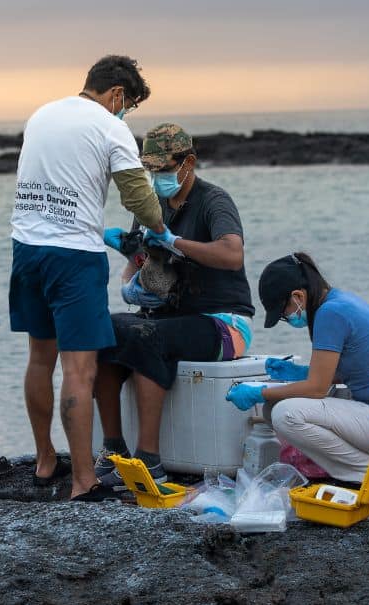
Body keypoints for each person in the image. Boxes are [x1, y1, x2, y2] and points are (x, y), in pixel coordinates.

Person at [9, 55, 176, 502]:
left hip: (26, 248)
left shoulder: (42, 114)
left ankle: (45, 461)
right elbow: (138, 195)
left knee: (39, 358)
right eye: (129, 105)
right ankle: (83, 480)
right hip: (73, 258)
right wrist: (161, 229)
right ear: (118, 95)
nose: (126, 114)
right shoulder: (110, 126)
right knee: (79, 370)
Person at [94, 123, 255, 488]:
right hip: (166, 318)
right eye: (151, 169)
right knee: (99, 330)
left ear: (189, 163)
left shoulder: (214, 201)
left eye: (164, 168)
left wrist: (175, 240)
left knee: (147, 335)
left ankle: (149, 461)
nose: (157, 177)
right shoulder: (151, 208)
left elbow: (232, 254)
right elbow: (135, 264)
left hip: (224, 324)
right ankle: (113, 452)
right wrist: (130, 288)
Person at [226, 253, 369, 483]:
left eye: (284, 314)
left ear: (298, 296)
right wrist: (300, 373)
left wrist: (258, 392)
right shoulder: (339, 302)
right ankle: (357, 464)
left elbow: (317, 388)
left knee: (284, 414)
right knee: (272, 409)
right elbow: (344, 373)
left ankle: (365, 470)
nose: (288, 318)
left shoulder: (330, 313)